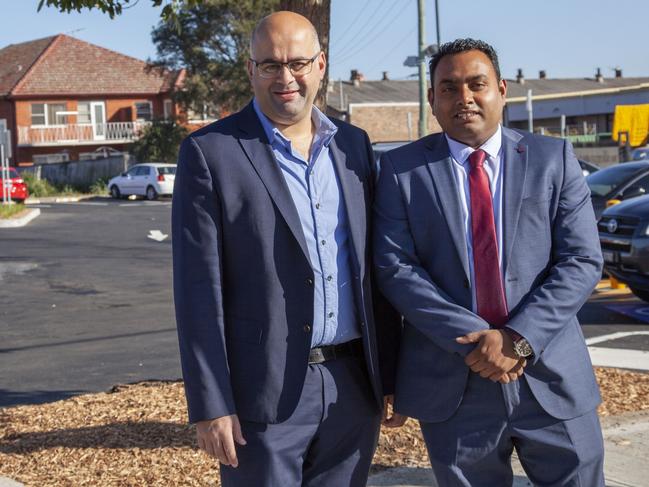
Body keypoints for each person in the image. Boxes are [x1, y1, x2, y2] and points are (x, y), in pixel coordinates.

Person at [172, 11, 400, 487]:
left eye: (297, 62)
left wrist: (391, 378)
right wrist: (212, 405)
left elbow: (374, 272)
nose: (286, 77)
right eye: (271, 65)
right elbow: (198, 292)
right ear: (251, 70)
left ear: (321, 65)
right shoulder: (211, 153)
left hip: (353, 387)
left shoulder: (354, 147)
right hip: (262, 396)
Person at [373, 38, 605, 486]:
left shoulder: (552, 159)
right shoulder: (401, 171)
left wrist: (516, 340)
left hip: (550, 375)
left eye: (477, 84)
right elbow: (395, 267)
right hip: (454, 383)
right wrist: (476, 346)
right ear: (432, 100)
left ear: (501, 89)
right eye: (449, 88)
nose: (464, 98)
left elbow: (580, 260)